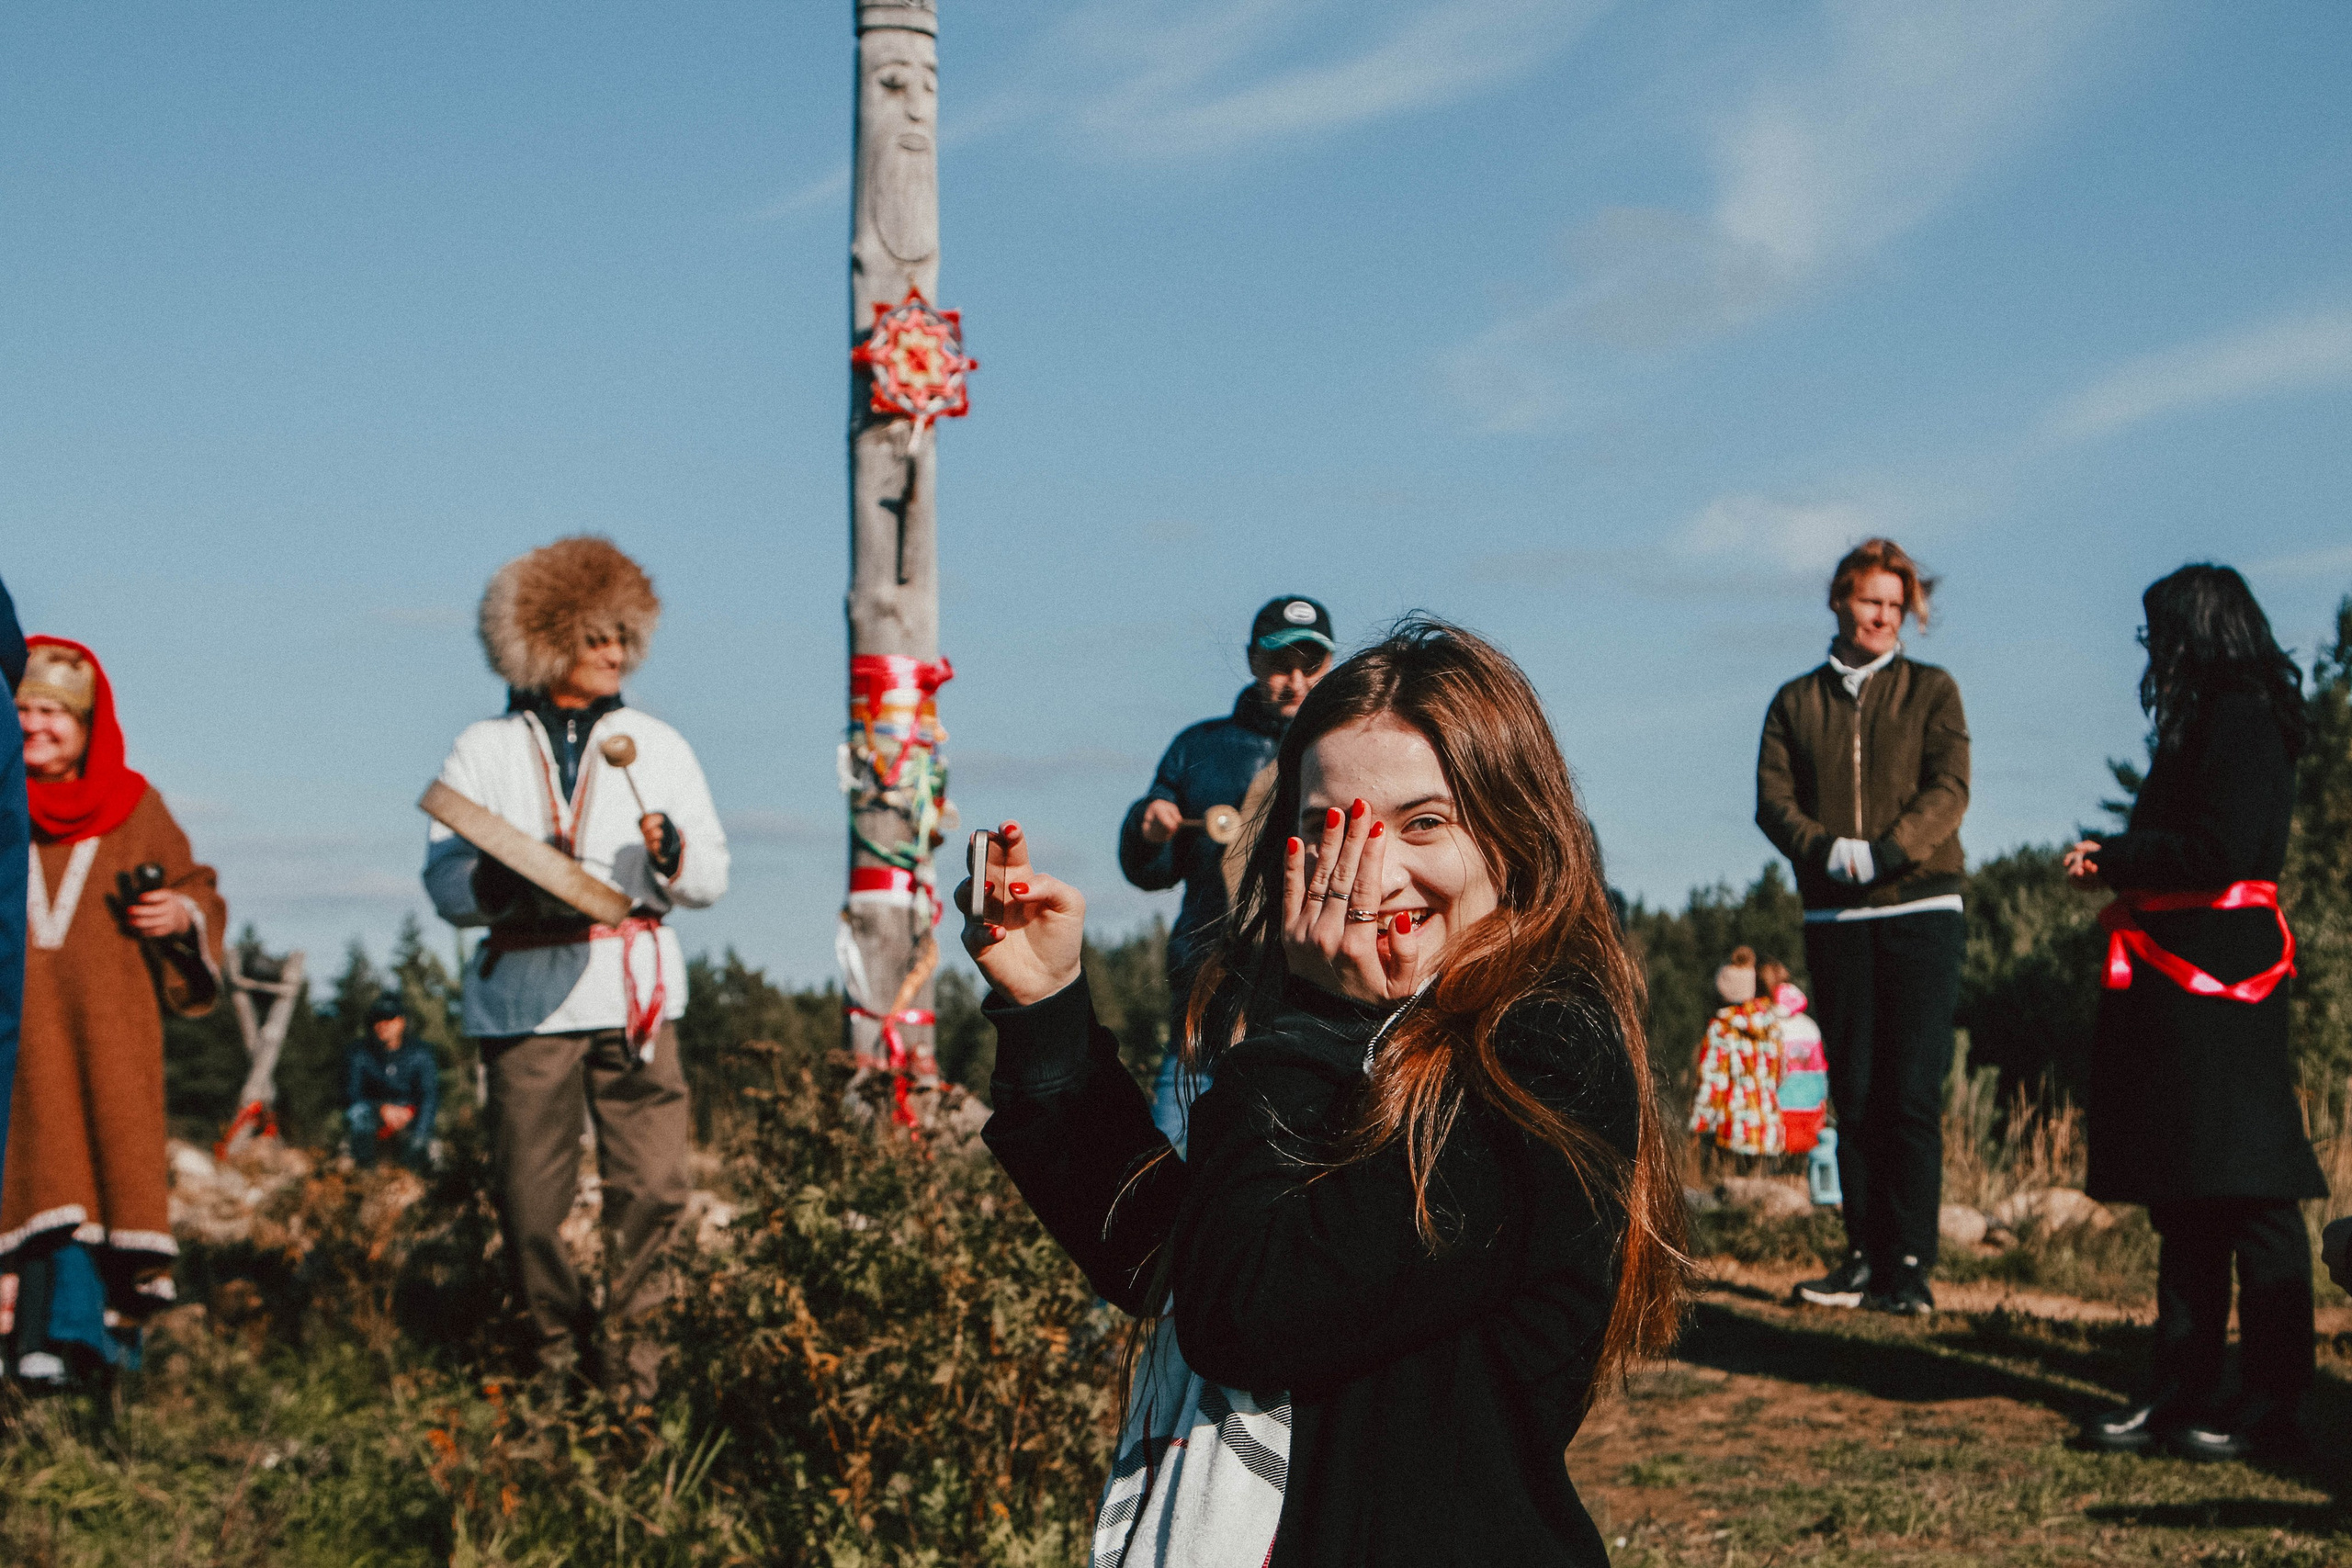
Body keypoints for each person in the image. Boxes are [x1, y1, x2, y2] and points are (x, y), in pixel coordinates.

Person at [969, 618, 1688, 1567]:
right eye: (1327, 829)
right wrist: (1048, 1012)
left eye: (1424, 823)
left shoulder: (1542, 1055)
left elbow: (1245, 1311)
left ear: (1511, 837)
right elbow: (1175, 1261)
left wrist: (1309, 1018)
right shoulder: (1356, 1034)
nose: (1370, 875)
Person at [422, 536, 728, 1407]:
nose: (616, 653)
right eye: (596, 636)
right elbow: (445, 884)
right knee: (528, 1203)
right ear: (543, 639)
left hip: (636, 994)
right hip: (523, 999)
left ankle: (636, 1384)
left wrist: (671, 858)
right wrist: (496, 879)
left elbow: (711, 876)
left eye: (625, 636)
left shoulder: (657, 743)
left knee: (655, 1190)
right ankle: (549, 1374)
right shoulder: (481, 749)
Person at [2070, 564, 2324, 1461]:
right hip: (2179, 981)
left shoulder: (2244, 720)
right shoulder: (2209, 718)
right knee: (2187, 1193)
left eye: (2158, 632)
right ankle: (2179, 1388)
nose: (2150, 651)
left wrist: (2115, 856)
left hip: (2224, 982)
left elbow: (2221, 849)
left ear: (2195, 630)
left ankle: (2273, 1402)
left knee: (2252, 1190)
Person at [1, 637, 225, 1388]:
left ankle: (91, 1356)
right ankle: (48, 1350)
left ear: (88, 725)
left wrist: (182, 915)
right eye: (21, 708)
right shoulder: (3, 802)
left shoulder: (134, 807)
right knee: (33, 1178)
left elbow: (200, 887)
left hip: (107, 1039)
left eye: (53, 712)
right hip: (18, 1044)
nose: (34, 725)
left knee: (104, 1176)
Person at [1757, 537, 1969, 1316]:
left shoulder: (1933, 691)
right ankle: (1860, 1256)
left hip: (1922, 910)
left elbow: (1950, 787)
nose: (1882, 616)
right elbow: (1772, 800)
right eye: (1870, 600)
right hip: (1834, 915)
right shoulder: (1794, 702)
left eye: (1895, 604)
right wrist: (1825, 851)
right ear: (1841, 602)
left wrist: (1885, 854)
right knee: (1855, 1093)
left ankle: (1908, 1267)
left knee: (1910, 1094)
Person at [1119, 596, 1334, 1151]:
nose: (1295, 680)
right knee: (1169, 1161)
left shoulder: (1341, 751)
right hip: (1205, 999)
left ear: (1330, 667)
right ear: (1253, 662)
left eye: (1311, 665)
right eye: (1280, 663)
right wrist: (1148, 830)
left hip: (1309, 998)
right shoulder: (1200, 748)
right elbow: (1152, 872)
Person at [1689, 946, 1785, 1156]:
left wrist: (1697, 1126)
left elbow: (1712, 1083)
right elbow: (1779, 1076)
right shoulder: (1772, 1026)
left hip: (1731, 1132)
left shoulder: (1721, 1029)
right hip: (1768, 1131)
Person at [346, 994, 439, 1174]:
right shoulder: (358, 1054)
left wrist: (417, 1128)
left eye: (389, 1018)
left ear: (401, 1022)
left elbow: (429, 1095)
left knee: (430, 1148)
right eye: (377, 1019)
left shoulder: (421, 1054)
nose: (383, 1025)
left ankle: (421, 1178)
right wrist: (380, 1108)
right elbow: (351, 1094)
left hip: (409, 1116)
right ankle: (364, 1172)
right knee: (357, 1115)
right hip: (373, 1116)